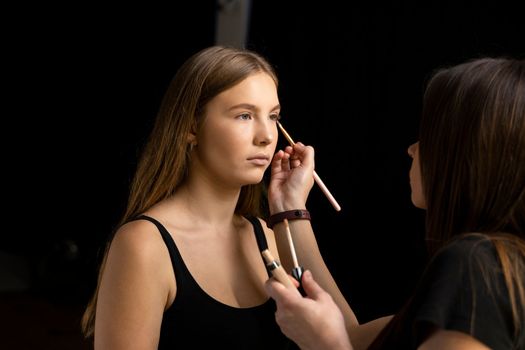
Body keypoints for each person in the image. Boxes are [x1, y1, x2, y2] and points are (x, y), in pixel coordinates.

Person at [79, 45, 345, 349]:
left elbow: (344, 337)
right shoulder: (144, 245)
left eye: (273, 117)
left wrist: (292, 208)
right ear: (191, 126)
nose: (267, 136)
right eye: (244, 116)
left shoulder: (267, 237)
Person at [264, 56, 525, 350]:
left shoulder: (477, 265)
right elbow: (352, 337)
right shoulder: (505, 270)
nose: (412, 149)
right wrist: (290, 204)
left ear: (469, 153)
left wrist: (325, 346)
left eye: (429, 136)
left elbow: (339, 343)